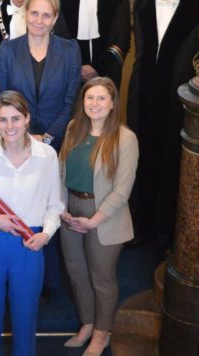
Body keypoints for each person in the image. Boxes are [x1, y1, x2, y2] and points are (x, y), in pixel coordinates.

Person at [126, 0, 199, 247]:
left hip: (180, 102)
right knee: (140, 158)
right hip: (144, 96)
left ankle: (167, 231)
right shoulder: (141, 0)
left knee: (172, 163)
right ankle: (139, 226)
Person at [0, 90, 64, 356]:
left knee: (25, 319)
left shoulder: (47, 156)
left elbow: (55, 205)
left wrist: (46, 233)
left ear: (27, 118)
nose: (10, 126)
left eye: (16, 119)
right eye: (3, 120)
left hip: (29, 244)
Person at [59, 77, 139, 356]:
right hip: (70, 212)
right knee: (77, 274)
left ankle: (102, 333)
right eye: (90, 98)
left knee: (101, 279)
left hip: (104, 216)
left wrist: (94, 220)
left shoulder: (125, 138)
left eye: (101, 98)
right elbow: (60, 172)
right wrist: (62, 209)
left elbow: (122, 190)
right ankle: (88, 324)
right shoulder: (74, 129)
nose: (95, 104)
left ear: (113, 103)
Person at [0, 0, 81, 152]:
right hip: (15, 138)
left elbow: (70, 104)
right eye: (34, 13)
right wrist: (25, 136)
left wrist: (47, 138)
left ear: (54, 19)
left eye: (46, 15)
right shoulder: (7, 50)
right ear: (25, 14)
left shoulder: (70, 50)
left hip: (58, 141)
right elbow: (1, 99)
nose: (39, 20)